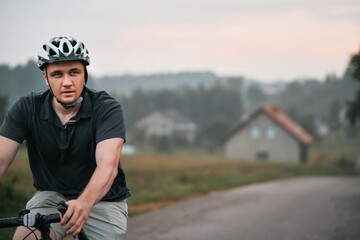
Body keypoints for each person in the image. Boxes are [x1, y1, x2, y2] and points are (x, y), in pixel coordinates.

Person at [0, 36, 130, 239]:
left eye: (74, 72)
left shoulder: (106, 108)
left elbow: (107, 165)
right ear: (46, 77)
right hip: (50, 195)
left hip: (102, 199)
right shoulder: (26, 108)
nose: (67, 82)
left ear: (84, 74)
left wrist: (83, 203)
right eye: (58, 74)